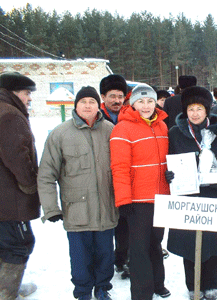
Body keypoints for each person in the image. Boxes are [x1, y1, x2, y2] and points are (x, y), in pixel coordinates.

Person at [38, 86, 119, 300]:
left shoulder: (111, 130)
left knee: (105, 255)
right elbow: (46, 174)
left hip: (106, 207)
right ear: (76, 105)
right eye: (83, 102)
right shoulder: (60, 134)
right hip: (77, 210)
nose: (88, 106)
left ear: (97, 104)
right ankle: (82, 292)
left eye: (91, 102)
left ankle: (102, 288)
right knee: (80, 258)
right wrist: (51, 208)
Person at [167, 86, 217, 300]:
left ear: (207, 110)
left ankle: (212, 285)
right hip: (187, 198)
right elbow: (169, 160)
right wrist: (168, 174)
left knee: (214, 245)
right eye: (190, 109)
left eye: (199, 108)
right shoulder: (176, 133)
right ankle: (192, 286)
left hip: (214, 197)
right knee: (190, 246)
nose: (195, 113)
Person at [110, 83, 171, 300]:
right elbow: (119, 167)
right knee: (139, 249)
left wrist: (171, 176)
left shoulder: (162, 126)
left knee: (155, 243)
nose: (146, 106)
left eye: (150, 101)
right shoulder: (122, 129)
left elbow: (165, 161)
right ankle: (141, 293)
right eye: (141, 101)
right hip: (138, 200)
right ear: (132, 103)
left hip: (161, 197)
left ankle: (157, 283)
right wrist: (124, 199)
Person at [0, 72, 41, 300]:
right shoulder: (9, 115)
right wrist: (29, 185)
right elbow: (17, 157)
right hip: (8, 199)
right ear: (13, 92)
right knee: (18, 245)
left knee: (4, 243)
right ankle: (7, 292)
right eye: (26, 93)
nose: (29, 98)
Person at [99, 74, 130, 279]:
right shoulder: (96, 116)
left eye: (120, 96)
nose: (117, 101)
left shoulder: (130, 115)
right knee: (104, 224)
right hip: (102, 178)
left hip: (125, 178)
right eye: (112, 96)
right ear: (103, 97)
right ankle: (103, 263)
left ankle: (123, 259)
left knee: (125, 224)